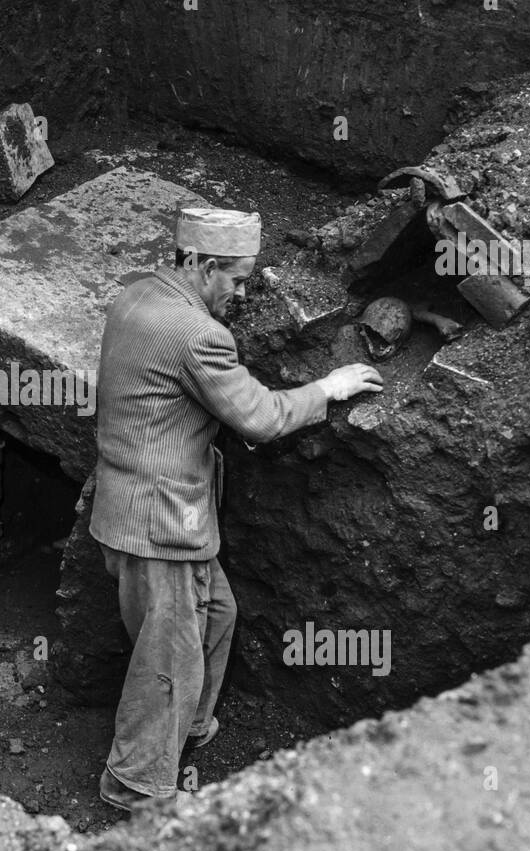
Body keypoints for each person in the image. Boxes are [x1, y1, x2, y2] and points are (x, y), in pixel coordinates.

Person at [90, 206, 383, 810]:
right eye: (237, 279)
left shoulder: (136, 296)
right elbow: (259, 418)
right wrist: (326, 390)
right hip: (161, 525)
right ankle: (135, 787)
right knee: (169, 659)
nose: (243, 293)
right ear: (199, 264)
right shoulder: (199, 335)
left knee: (216, 614)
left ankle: (188, 732)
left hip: (129, 506)